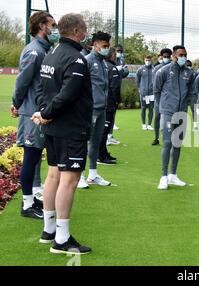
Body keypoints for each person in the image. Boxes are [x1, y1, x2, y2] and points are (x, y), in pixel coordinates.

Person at [33, 13, 92, 254]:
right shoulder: (76, 59)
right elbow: (67, 95)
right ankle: (62, 239)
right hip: (70, 128)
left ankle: (49, 231)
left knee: (53, 176)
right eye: (85, 28)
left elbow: (41, 88)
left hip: (54, 127)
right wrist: (46, 113)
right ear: (77, 30)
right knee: (69, 180)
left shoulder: (51, 53)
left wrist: (43, 112)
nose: (86, 32)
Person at [11, 11, 59, 219]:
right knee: (30, 157)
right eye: (53, 25)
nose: (56, 29)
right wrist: (16, 103)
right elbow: (22, 81)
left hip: (41, 111)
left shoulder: (45, 49)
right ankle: (27, 204)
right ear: (42, 26)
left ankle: (32, 197)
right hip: (32, 112)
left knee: (37, 156)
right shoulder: (34, 51)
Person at [154, 45, 195, 190]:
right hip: (168, 112)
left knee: (177, 144)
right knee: (167, 143)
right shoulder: (163, 71)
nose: (183, 57)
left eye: (185, 54)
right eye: (181, 55)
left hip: (181, 112)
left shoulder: (190, 73)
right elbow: (157, 91)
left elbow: (191, 94)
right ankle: (163, 176)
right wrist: (162, 108)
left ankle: (173, 175)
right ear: (173, 56)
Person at [77, 31, 112, 188]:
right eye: (104, 45)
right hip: (89, 110)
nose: (106, 48)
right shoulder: (86, 60)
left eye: (108, 46)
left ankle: (93, 173)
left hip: (102, 108)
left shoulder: (104, 63)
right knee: (84, 143)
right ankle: (80, 176)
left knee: (96, 142)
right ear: (95, 44)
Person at [98, 47, 128, 165]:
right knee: (104, 130)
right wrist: (117, 101)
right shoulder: (112, 68)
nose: (116, 57)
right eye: (115, 55)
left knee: (103, 130)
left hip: (103, 102)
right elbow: (114, 87)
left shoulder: (104, 65)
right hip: (109, 103)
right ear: (111, 56)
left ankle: (103, 153)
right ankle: (101, 156)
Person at [151, 48, 173, 146]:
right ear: (161, 57)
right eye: (165, 57)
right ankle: (156, 137)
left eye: (168, 57)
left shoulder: (173, 68)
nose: (166, 58)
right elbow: (155, 85)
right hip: (159, 98)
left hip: (170, 99)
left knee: (170, 119)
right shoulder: (156, 69)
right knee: (157, 117)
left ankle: (169, 138)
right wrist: (158, 99)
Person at [136, 55, 155, 131]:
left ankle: (149, 125)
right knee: (143, 108)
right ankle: (143, 124)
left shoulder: (154, 69)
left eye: (149, 60)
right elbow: (137, 80)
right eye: (146, 60)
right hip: (143, 93)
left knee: (151, 109)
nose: (148, 61)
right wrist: (140, 88)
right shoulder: (140, 70)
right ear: (144, 60)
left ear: (151, 60)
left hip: (152, 93)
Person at [186, 59, 199, 132]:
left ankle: (195, 126)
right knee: (183, 110)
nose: (188, 67)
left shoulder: (195, 74)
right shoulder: (182, 73)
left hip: (193, 94)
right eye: (187, 66)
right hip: (184, 94)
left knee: (194, 110)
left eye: (189, 66)